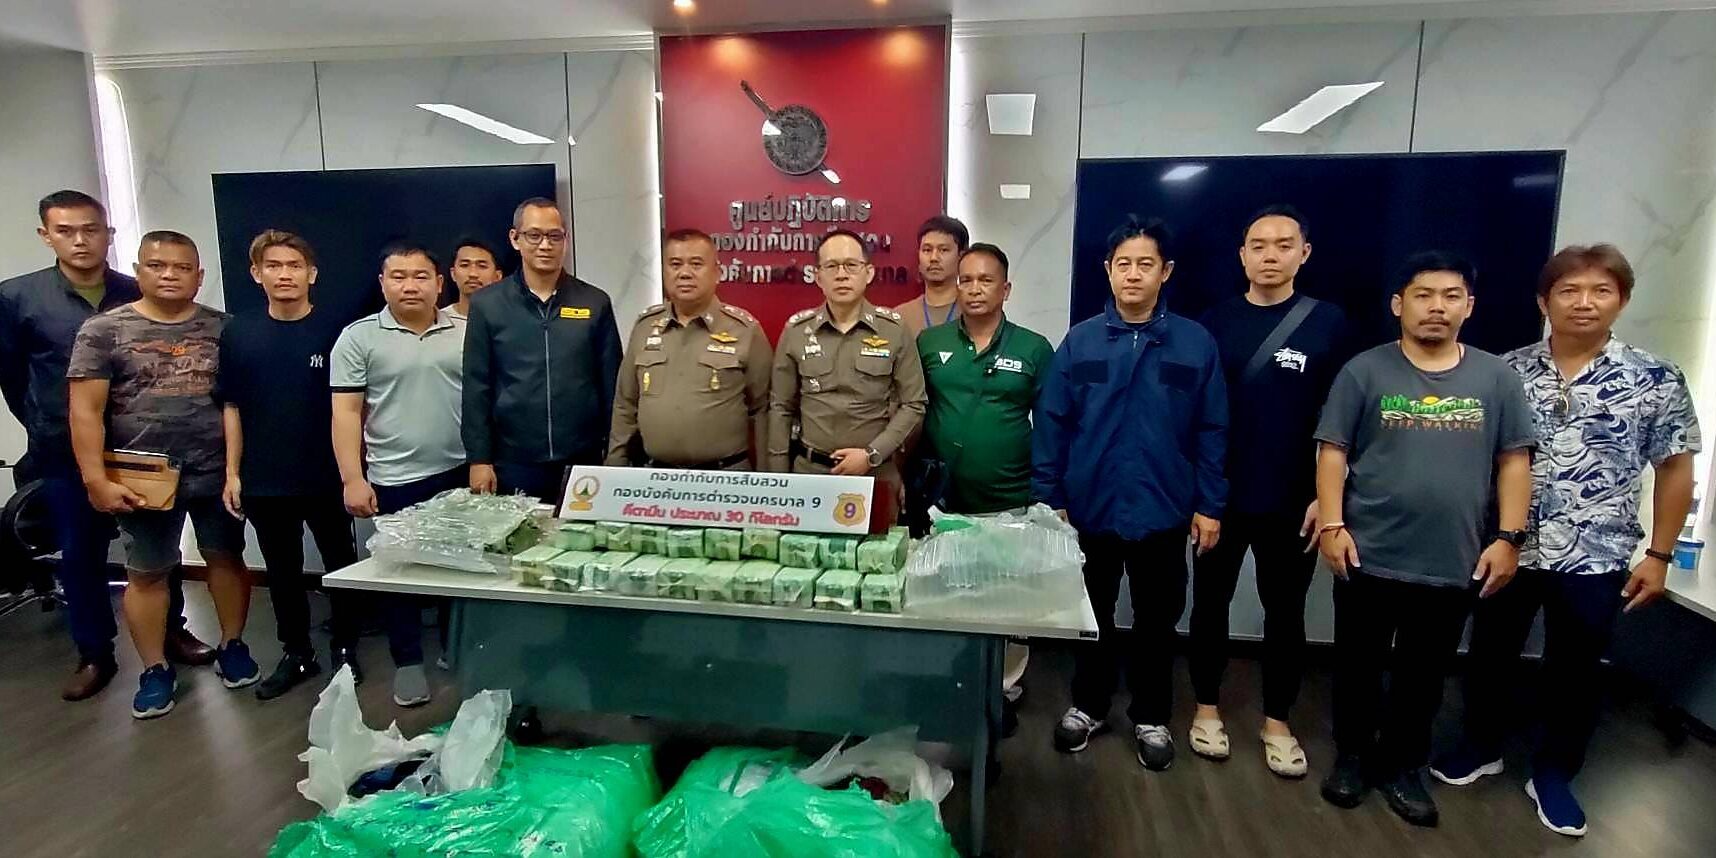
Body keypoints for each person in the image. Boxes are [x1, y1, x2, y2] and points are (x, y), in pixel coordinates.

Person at [1432, 245, 1699, 837]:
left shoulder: (1655, 378)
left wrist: (1659, 555)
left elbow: (1676, 468)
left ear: (1621, 301)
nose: (1584, 302)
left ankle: (1554, 772)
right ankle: (1481, 746)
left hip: (1597, 552)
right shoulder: (1504, 371)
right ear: (1543, 301)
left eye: (1601, 291)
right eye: (1569, 290)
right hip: (1507, 545)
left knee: (1576, 669)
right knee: (1490, 654)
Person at [1314, 251, 1535, 827]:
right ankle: (1353, 757)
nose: (1437, 307)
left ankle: (1404, 765)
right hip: (1367, 550)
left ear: (1469, 306)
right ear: (1398, 304)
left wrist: (1509, 537)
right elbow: (1333, 451)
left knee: (1424, 674)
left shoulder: (1496, 378)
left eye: (1451, 296)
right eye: (1423, 294)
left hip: (1452, 557)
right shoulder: (1364, 371)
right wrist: (1333, 525)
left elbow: (1514, 461)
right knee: (1357, 666)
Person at [0, 190, 212, 702]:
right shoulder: (18, 298)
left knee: (155, 548)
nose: (80, 240)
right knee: (81, 551)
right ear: (46, 235)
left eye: (91, 229)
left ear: (108, 234)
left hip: (140, 447)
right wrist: (44, 423)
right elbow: (11, 375)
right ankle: (94, 652)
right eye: (66, 231)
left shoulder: (136, 290)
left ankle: (171, 632)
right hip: (63, 450)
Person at [1034, 215, 1227, 771]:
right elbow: (1052, 422)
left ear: (1166, 271)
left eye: (1146, 264)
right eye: (1124, 264)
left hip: (1163, 507)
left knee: (1157, 620)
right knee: (1090, 612)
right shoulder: (1082, 341)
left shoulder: (1194, 343)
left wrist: (1209, 504)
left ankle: (1151, 715)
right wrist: (1049, 495)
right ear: (1108, 270)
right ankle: (1089, 705)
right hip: (1089, 506)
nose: (1134, 274)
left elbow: (1213, 428)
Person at [1188, 205, 1351, 777]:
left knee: (1286, 614)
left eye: (1284, 245)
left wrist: (1327, 498)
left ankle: (1277, 721)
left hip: (1295, 501)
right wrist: (1202, 495)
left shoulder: (1329, 324)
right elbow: (1197, 414)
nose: (1270, 255)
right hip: (1220, 497)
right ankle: (1206, 710)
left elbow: (1344, 418)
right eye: (1258, 245)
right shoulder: (1213, 322)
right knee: (1209, 605)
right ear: (1242, 255)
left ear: (1304, 253)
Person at [66, 231, 257, 719]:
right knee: (148, 573)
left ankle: (233, 645)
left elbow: (240, 402)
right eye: (157, 266)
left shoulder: (224, 328)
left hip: (216, 471)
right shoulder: (104, 330)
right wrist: (96, 480)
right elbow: (85, 411)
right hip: (142, 478)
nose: (169, 275)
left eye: (181, 267)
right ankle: (154, 669)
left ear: (199, 275)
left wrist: (238, 470)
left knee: (226, 558)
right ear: (139, 271)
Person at [216, 229, 362, 699]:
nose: (285, 275)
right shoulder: (239, 332)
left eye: (294, 266)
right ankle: (297, 652)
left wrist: (354, 472)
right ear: (256, 274)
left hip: (326, 473)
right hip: (265, 476)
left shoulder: (339, 330)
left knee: (340, 564)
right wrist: (232, 472)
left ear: (311, 274)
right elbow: (231, 406)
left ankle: (345, 647)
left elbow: (354, 407)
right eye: (274, 266)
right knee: (281, 571)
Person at [918, 241, 1054, 730]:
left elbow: (1052, 425)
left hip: (1010, 496)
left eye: (986, 280)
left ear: (1006, 289)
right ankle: (952, 682)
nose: (975, 289)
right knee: (947, 593)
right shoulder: (929, 344)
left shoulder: (1033, 348)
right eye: (967, 280)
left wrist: (1048, 494)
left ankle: (1004, 688)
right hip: (943, 499)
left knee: (1008, 599)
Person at [331, 241, 467, 708]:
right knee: (399, 576)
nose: (411, 285)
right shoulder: (359, 337)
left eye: (421, 276)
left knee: (458, 570)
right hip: (394, 477)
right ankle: (408, 662)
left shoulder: (465, 332)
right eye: (399, 276)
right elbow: (346, 412)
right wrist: (353, 478)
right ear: (383, 283)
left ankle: (455, 649)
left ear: (439, 283)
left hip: (459, 472)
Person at [463, 197, 622, 504]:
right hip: (514, 460)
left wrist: (616, 454)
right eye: (534, 235)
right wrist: (479, 459)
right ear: (515, 239)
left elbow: (612, 384)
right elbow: (476, 386)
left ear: (566, 240)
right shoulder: (488, 305)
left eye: (554, 236)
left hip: (584, 458)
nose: (545, 245)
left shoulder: (594, 302)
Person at [769, 229, 926, 530]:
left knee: (875, 556)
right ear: (818, 276)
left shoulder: (893, 330)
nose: (842, 275)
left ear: (869, 273)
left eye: (851, 265)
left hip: (874, 474)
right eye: (832, 266)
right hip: (810, 475)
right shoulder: (796, 331)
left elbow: (914, 404)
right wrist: (778, 480)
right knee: (804, 555)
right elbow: (780, 408)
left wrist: (871, 455)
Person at [608, 229, 771, 469]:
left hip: (725, 476)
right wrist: (615, 466)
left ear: (717, 273)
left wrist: (769, 477)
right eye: (675, 264)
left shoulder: (744, 330)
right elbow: (626, 404)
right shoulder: (645, 327)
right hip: (657, 476)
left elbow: (764, 409)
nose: (685, 273)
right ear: (664, 271)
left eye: (696, 264)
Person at [893, 215, 970, 339]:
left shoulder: (973, 310)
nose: (934, 258)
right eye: (927, 250)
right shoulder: (900, 316)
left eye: (943, 250)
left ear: (961, 257)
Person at [445, 237, 504, 321]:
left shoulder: (512, 320)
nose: (473, 274)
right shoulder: (438, 320)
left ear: (497, 276)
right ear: (453, 274)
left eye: (482, 266)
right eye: (464, 265)